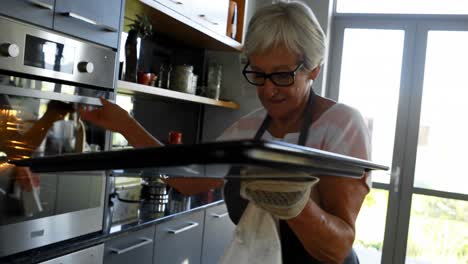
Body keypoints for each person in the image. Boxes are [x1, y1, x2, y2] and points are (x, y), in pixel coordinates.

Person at [79, 1, 371, 263]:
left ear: (314, 70)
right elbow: (184, 178)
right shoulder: (249, 129)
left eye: (282, 75)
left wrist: (294, 201)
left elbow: (336, 249)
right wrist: (124, 124)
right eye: (258, 74)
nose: (268, 89)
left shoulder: (342, 126)